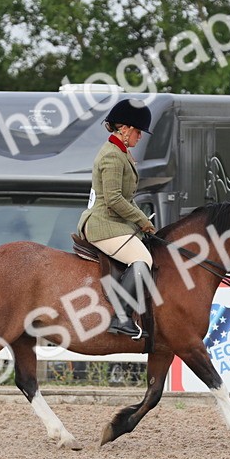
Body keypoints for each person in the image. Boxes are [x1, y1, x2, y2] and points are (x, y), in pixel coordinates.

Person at [78, 98, 156, 339]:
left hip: (115, 222)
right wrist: (142, 220)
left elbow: (127, 198)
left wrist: (143, 223)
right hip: (103, 224)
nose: (140, 137)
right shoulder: (112, 156)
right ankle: (121, 318)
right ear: (125, 128)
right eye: (138, 131)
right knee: (142, 259)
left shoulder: (121, 152)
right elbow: (113, 199)